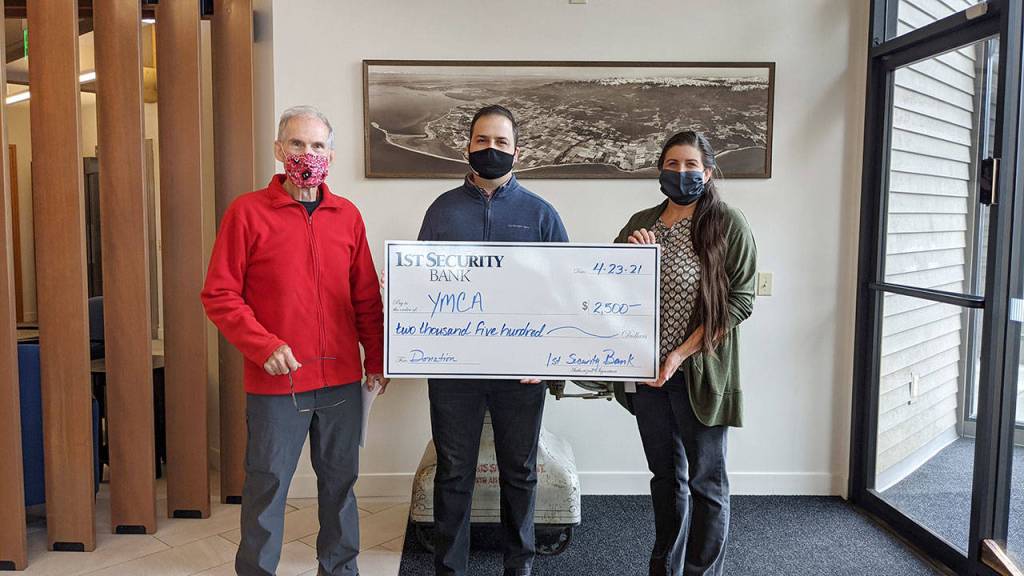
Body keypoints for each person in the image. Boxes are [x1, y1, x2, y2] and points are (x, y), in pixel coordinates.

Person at [201, 105, 387, 576]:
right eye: (298, 144)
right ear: (279, 149)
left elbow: (366, 297)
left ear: (332, 155)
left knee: (340, 487)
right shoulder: (246, 212)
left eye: (318, 145)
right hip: (276, 385)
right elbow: (219, 295)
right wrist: (263, 346)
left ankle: (340, 570)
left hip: (341, 382)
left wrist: (376, 359)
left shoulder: (348, 216)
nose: (308, 153)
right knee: (267, 487)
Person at [417, 104, 568, 576]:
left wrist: (548, 360)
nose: (491, 149)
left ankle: (518, 567)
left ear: (517, 152)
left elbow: (565, 294)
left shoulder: (541, 214)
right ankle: (450, 569)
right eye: (482, 140)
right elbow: (420, 287)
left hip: (521, 373)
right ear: (468, 146)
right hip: (453, 371)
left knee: (520, 473)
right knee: (453, 472)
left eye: (501, 142)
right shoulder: (441, 211)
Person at [615, 131, 756, 576]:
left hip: (699, 373)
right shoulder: (642, 222)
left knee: (706, 483)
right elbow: (608, 290)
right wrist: (632, 262)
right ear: (660, 169)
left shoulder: (727, 223)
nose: (681, 172)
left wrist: (679, 353)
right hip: (647, 375)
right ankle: (665, 567)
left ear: (708, 172)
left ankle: (700, 571)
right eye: (672, 164)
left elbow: (740, 300)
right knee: (666, 480)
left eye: (691, 165)